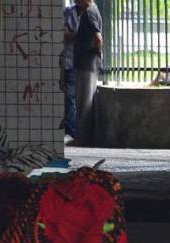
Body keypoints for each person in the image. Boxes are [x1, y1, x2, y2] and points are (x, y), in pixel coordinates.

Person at [72, 0, 102, 145]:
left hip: (87, 64)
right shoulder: (91, 10)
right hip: (86, 64)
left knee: (83, 103)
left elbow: (98, 38)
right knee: (83, 102)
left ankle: (83, 139)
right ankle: (83, 137)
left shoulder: (89, 13)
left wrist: (98, 53)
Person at [59, 2, 79, 141]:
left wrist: (66, 33)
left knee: (70, 97)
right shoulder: (70, 10)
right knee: (67, 97)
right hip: (66, 60)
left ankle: (73, 129)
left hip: (73, 61)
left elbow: (79, 35)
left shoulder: (88, 12)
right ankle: (70, 127)